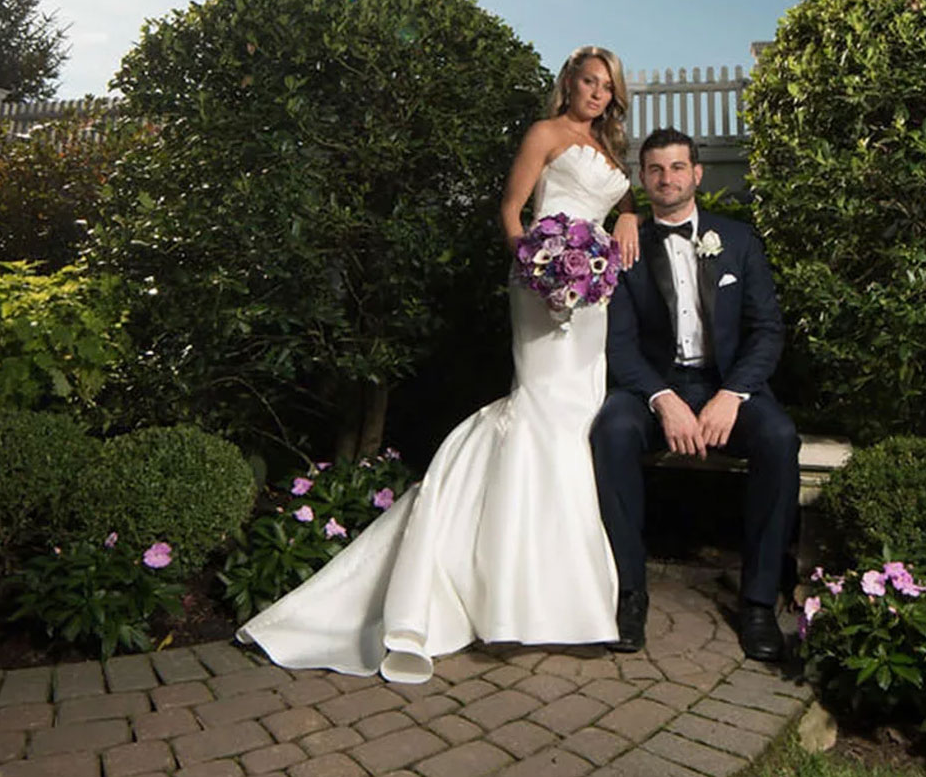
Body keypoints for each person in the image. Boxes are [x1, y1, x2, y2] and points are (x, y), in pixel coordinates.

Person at [237, 46, 641, 682]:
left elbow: (615, 200)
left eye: (607, 86)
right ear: (570, 83)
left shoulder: (614, 148)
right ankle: (512, 599)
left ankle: (567, 598)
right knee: (540, 412)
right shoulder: (544, 133)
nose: (597, 93)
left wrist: (628, 213)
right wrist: (535, 268)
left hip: (594, 300)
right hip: (540, 289)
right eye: (589, 82)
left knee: (576, 421)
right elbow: (512, 210)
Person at [590, 127, 800, 661]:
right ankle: (629, 593)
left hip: (725, 385)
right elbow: (618, 343)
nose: (667, 178)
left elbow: (767, 330)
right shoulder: (625, 248)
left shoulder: (740, 240)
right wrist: (663, 398)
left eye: (677, 167)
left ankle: (757, 604)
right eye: (656, 169)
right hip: (653, 387)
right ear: (644, 179)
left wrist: (732, 393)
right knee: (611, 431)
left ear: (697, 174)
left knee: (779, 437)